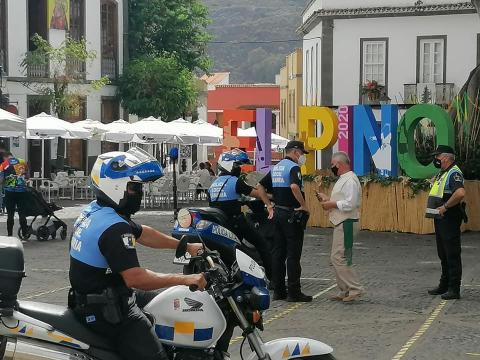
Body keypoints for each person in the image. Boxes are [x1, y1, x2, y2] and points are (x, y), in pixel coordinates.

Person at [68, 148, 206, 360]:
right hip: (105, 309)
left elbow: (144, 234)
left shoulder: (97, 210)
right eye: (134, 187)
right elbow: (136, 278)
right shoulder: (113, 228)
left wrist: (185, 246)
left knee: (166, 305)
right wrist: (185, 279)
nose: (140, 193)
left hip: (96, 297)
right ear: (115, 186)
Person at [207, 149, 274, 279]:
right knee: (262, 244)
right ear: (229, 165)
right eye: (237, 165)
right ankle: (272, 278)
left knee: (230, 251)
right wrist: (272, 197)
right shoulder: (234, 181)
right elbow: (257, 193)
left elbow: (223, 202)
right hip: (236, 222)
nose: (239, 168)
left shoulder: (213, 184)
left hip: (220, 225)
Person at [259, 140, 312, 302]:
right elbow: (295, 187)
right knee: (293, 255)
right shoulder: (293, 167)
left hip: (278, 214)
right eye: (302, 153)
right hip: (291, 215)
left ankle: (279, 290)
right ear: (295, 152)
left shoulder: (277, 167)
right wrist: (303, 206)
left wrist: (268, 206)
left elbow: (260, 186)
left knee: (278, 253)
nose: (302, 156)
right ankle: (294, 292)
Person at [316, 152, 364, 303]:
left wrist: (330, 203)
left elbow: (351, 203)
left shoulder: (349, 180)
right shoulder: (346, 179)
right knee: (342, 257)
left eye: (332, 165)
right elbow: (343, 201)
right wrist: (328, 199)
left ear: (339, 164)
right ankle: (345, 289)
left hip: (347, 222)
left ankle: (354, 288)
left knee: (338, 257)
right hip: (344, 222)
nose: (331, 167)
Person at [426, 145, 466, 300]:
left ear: (447, 157)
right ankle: (444, 284)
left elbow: (460, 192)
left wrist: (445, 206)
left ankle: (454, 289)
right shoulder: (444, 173)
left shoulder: (454, 172)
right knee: (443, 253)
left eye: (438, 156)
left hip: (449, 219)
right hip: (441, 219)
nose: (436, 159)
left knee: (452, 254)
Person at [0, 152, 28, 237]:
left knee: (10, 215)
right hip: (22, 192)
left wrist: (6, 181)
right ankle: (24, 233)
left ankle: (10, 235)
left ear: (5, 157)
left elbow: (1, 180)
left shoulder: (3, 165)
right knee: (22, 213)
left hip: (9, 192)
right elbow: (27, 175)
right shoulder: (22, 162)